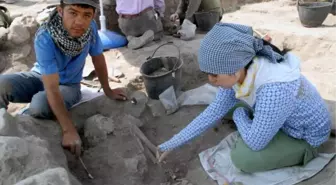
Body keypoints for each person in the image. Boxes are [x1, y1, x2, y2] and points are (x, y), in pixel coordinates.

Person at [156, 23, 332, 173]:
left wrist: (239, 114)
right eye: (208, 74)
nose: (211, 80)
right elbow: (212, 112)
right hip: (280, 113)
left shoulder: (274, 89)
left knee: (242, 158)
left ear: (236, 69)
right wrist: (171, 143)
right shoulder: (244, 65)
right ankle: (254, 122)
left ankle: (301, 151)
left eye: (214, 75)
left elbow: (256, 143)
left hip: (305, 138)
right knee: (222, 106)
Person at [0, 0, 127, 157]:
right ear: (60, 11)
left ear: (93, 15)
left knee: (39, 105)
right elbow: (51, 87)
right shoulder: (45, 36)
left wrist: (108, 90)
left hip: (69, 85)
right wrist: (68, 129)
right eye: (73, 13)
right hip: (40, 76)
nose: (79, 22)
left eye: (87, 15)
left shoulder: (91, 29)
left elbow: (98, 58)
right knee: (2, 84)